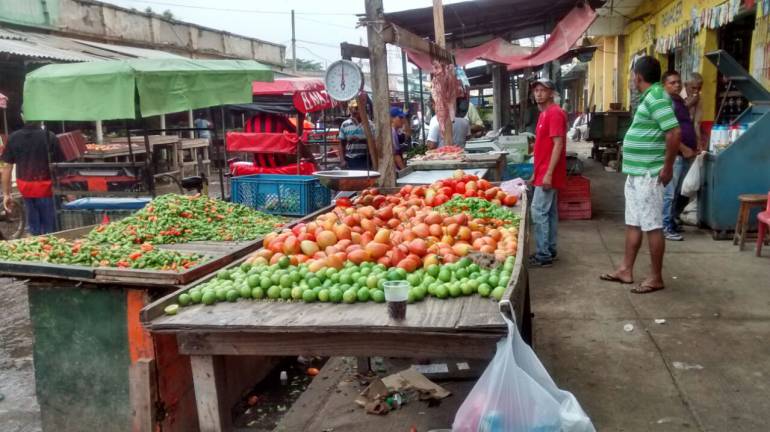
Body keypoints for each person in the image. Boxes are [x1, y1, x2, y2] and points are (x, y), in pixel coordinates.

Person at [600, 56, 680, 294]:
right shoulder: (650, 97)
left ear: (638, 76)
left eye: (632, 75)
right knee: (633, 223)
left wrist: (667, 168)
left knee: (653, 226)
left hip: (649, 173)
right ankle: (626, 270)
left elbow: (674, 133)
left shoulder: (656, 97)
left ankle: (656, 277)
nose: (632, 79)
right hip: (636, 173)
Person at [2, 118, 65, 235]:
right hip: (47, 188)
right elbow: (61, 167)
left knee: (34, 225)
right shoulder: (49, 136)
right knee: (50, 227)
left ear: (23, 118)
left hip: (25, 188)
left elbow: (7, 167)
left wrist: (6, 194)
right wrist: (67, 191)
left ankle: (36, 245)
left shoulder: (13, 137)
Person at [529, 78, 567, 268]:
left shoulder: (554, 113)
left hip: (548, 173)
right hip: (543, 171)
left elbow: (558, 144)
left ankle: (543, 254)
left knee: (538, 212)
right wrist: (536, 173)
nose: (539, 93)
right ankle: (549, 250)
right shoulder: (544, 114)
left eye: (543, 90)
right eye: (536, 90)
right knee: (549, 212)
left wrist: (548, 173)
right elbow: (543, 147)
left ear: (551, 93)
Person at [661, 71, 698, 241]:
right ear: (664, 85)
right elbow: (667, 131)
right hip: (674, 154)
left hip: (684, 154)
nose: (677, 85)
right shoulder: (666, 103)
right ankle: (665, 225)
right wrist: (682, 148)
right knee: (668, 193)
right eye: (672, 83)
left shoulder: (678, 101)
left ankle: (672, 220)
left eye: (678, 82)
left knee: (677, 192)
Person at [338, 99, 374, 170]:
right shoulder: (345, 124)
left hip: (365, 159)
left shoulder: (370, 125)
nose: (355, 110)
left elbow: (374, 142)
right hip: (350, 159)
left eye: (357, 108)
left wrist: (361, 139)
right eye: (352, 108)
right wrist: (342, 160)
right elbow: (341, 144)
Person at [682, 73, 704, 150]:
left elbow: (696, 123)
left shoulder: (698, 98)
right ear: (685, 85)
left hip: (689, 138)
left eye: (699, 88)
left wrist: (699, 142)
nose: (696, 91)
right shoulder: (677, 95)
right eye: (693, 88)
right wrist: (691, 103)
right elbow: (679, 113)